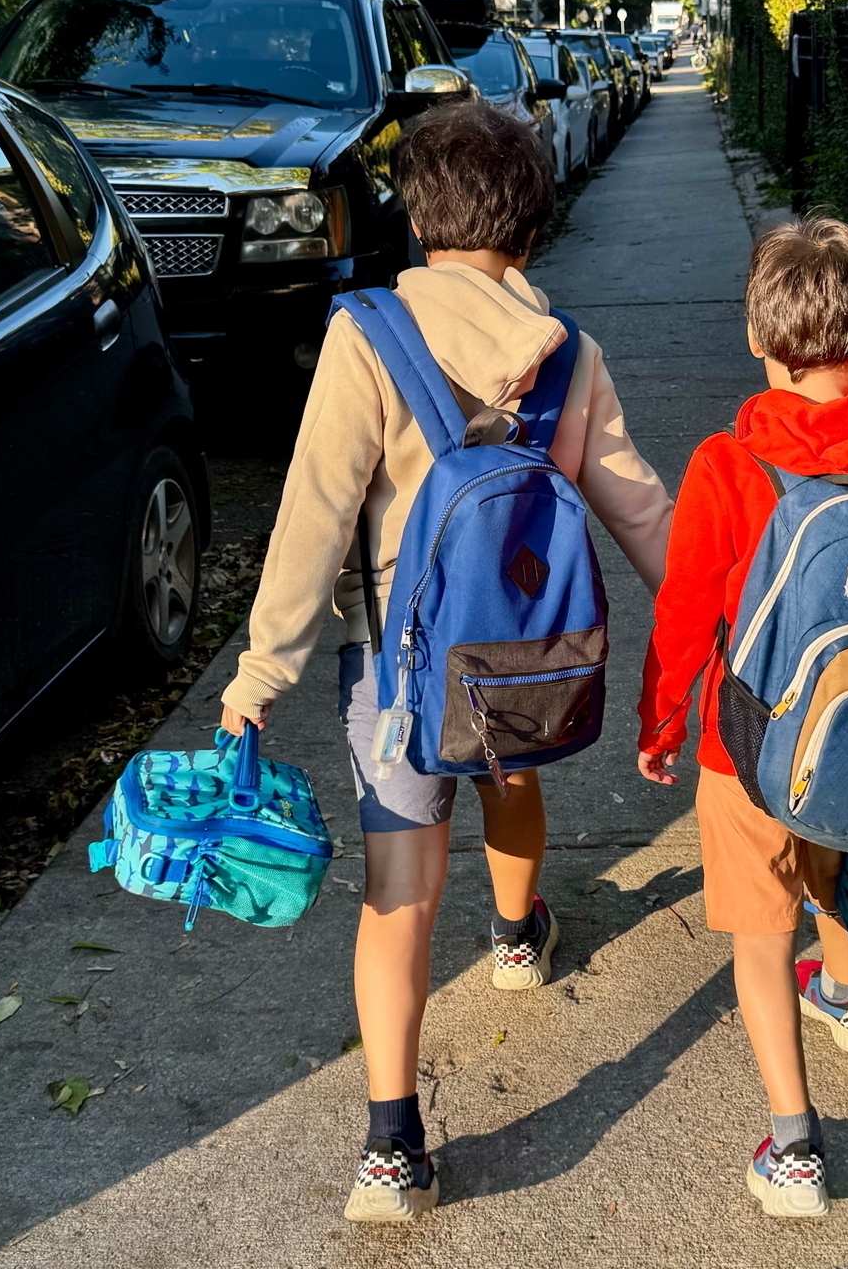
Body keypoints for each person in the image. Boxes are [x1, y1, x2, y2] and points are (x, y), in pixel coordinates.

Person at [220, 101, 672, 1223]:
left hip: (394, 666)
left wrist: (257, 679)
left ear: (418, 218)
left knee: (400, 888)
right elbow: (639, 509)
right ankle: (519, 936)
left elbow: (316, 514)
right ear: (530, 221)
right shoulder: (567, 354)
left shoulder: (366, 333)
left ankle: (390, 1147)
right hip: (526, 651)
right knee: (511, 779)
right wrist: (720, 620)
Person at [637, 213, 848, 1220]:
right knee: (839, 841)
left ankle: (794, 1146)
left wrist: (664, 725)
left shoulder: (727, 465)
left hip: (746, 743)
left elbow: (686, 611)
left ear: (757, 341)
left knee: (758, 931)